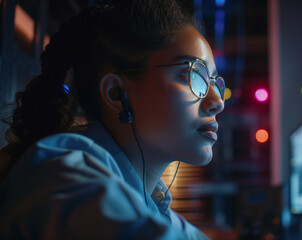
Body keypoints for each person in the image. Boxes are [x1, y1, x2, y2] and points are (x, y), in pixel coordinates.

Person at [0, 0, 225, 239]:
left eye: (215, 83)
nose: (217, 101)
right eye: (194, 75)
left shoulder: (150, 205)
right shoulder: (61, 172)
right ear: (116, 93)